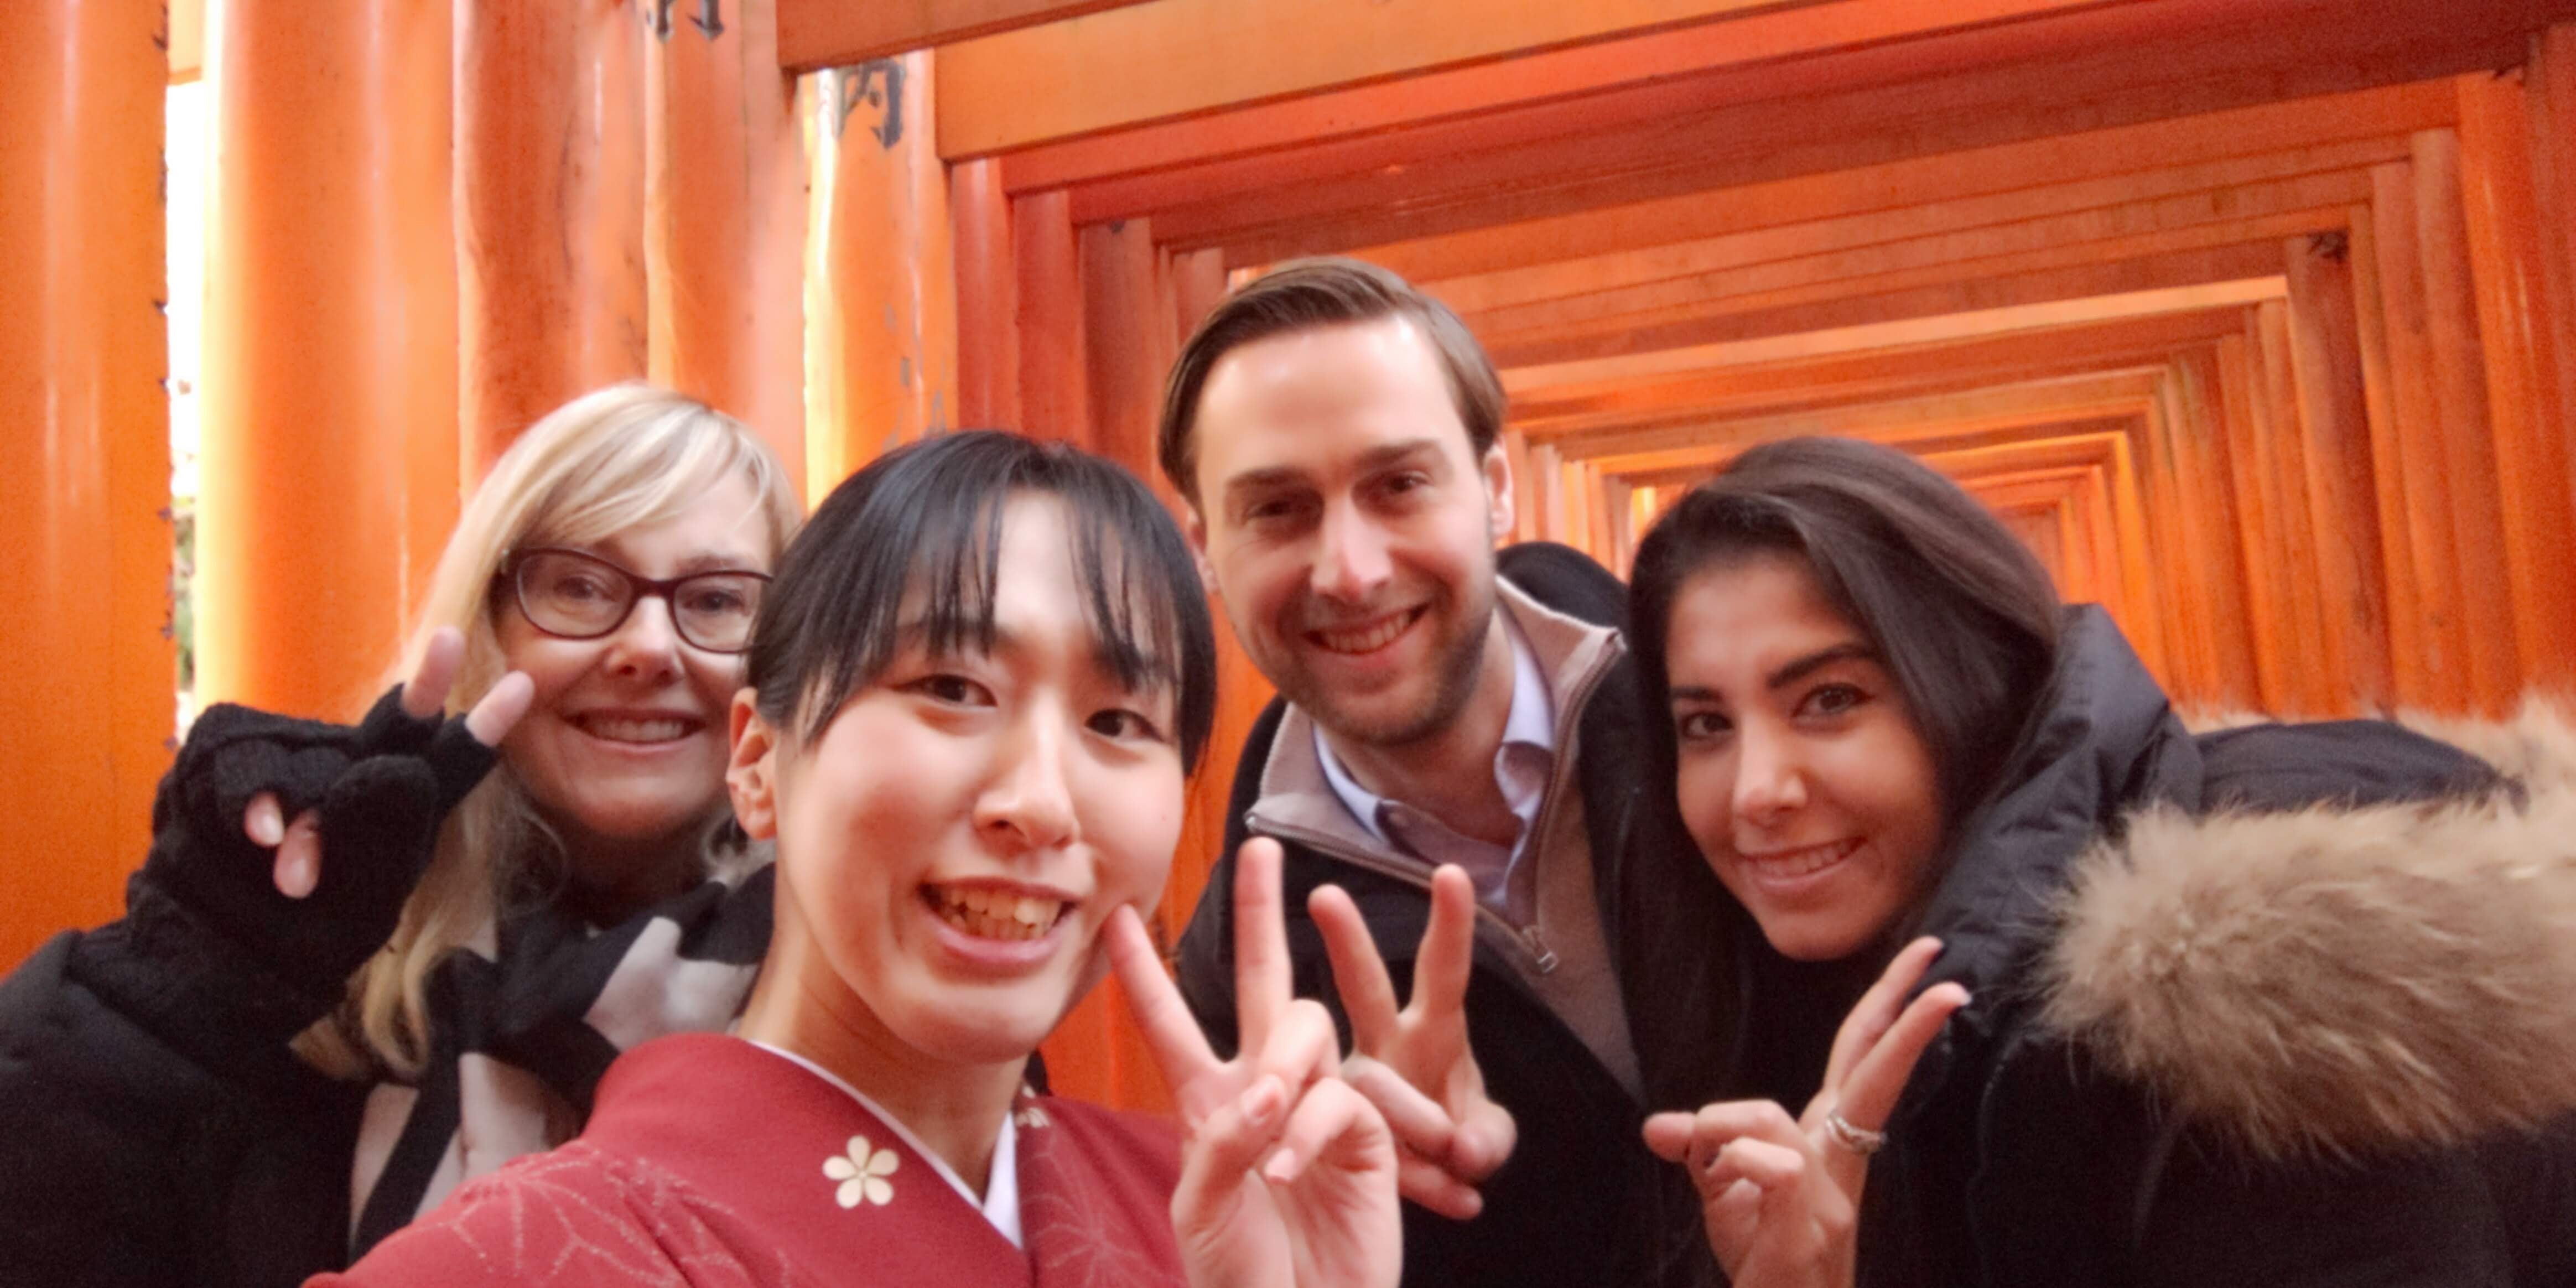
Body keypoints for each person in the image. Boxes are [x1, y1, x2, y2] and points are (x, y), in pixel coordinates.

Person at [315, 430, 1410, 1286]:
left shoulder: (1220, 1217)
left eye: (1119, 722)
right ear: (758, 761)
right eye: (951, 689)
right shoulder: (506, 1264)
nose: (1040, 804)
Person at [1625, 434, 2576, 1286]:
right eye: (1706, 725)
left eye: (1830, 700)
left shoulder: (2248, 1008)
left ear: (1975, 689)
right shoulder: (1812, 1011)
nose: (1754, 791)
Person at [0, 385, 801, 1285]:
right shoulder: (334, 975)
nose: (649, 647)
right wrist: (183, 977)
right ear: (487, 627)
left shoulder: (856, 1000)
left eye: (719, 600)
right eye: (579, 586)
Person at [1160, 256, 1731, 1285]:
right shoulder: (1249, 979)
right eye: (1278, 509)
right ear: (1205, 547)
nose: (1351, 571)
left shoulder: (1720, 718)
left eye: (1400, 485)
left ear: (1494, 488)